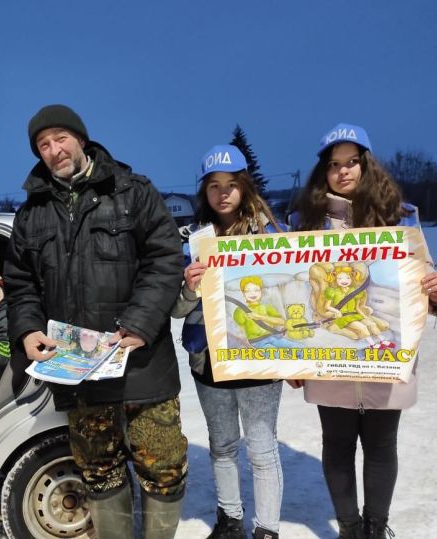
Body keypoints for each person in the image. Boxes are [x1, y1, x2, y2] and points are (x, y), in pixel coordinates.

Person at [3, 104, 188, 539]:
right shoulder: (31, 214)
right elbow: (20, 283)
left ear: (80, 139)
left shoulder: (133, 191)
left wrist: (139, 325)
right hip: (78, 370)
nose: (54, 150)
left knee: (162, 464)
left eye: (60, 138)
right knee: (98, 469)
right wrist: (28, 330)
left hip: (142, 362)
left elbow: (164, 259)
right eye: (43, 145)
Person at [287, 123, 437, 539]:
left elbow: (424, 276)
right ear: (323, 171)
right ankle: (349, 528)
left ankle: (376, 528)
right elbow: (291, 287)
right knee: (337, 447)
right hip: (331, 359)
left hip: (385, 358)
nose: (343, 172)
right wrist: (290, 355)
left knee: (381, 448)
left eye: (352, 163)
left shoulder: (401, 218)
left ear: (367, 166)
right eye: (334, 164)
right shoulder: (306, 224)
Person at [172, 144, 284, 539]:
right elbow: (176, 310)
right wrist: (188, 288)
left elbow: (291, 296)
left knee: (261, 447)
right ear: (204, 191)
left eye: (232, 184)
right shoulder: (193, 242)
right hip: (208, 359)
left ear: (245, 187)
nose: (223, 193)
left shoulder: (273, 236)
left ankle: (267, 528)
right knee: (221, 445)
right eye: (214, 185)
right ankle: (230, 519)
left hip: (259, 359)